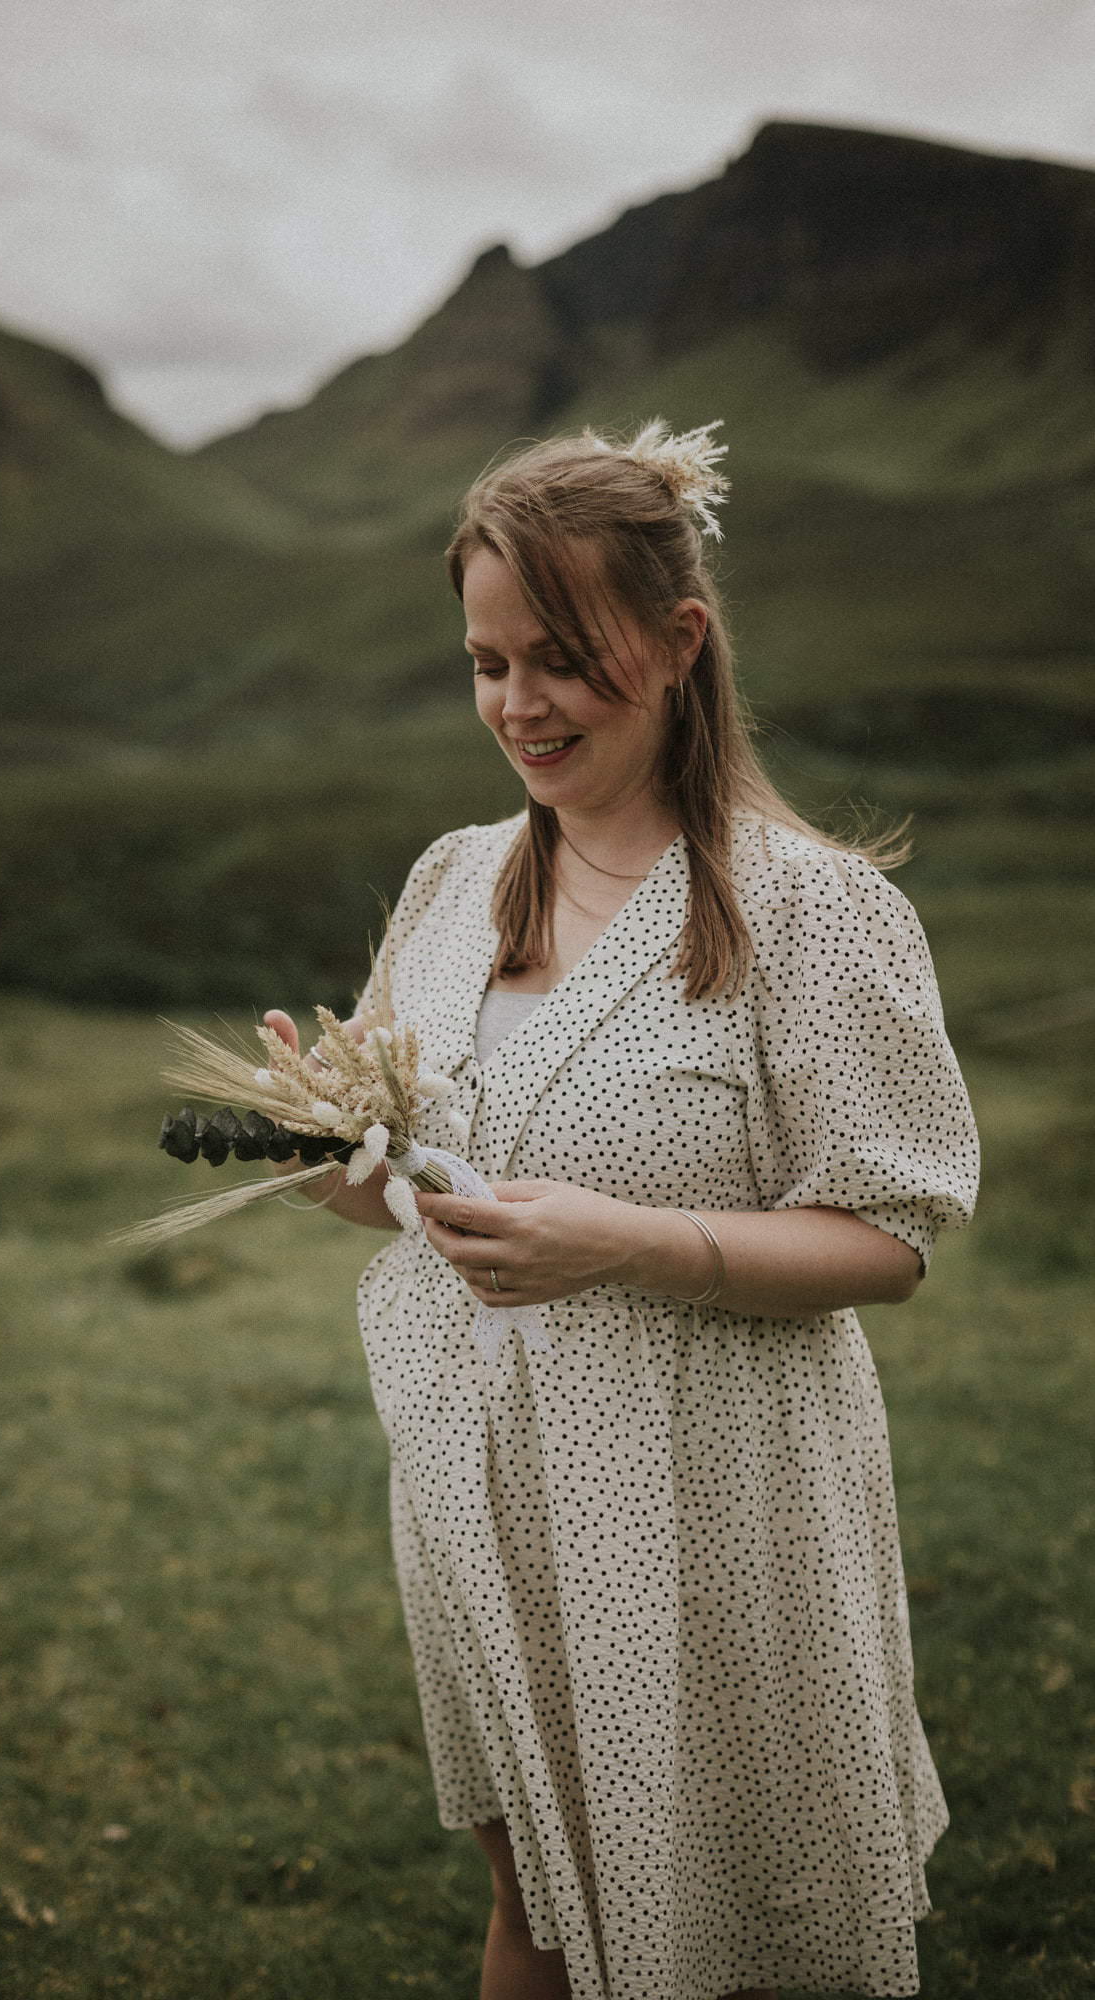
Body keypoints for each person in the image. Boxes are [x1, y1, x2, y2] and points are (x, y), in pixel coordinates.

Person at [262, 418, 980, 2000]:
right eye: (485, 661)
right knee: (538, 1915)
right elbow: (424, 1199)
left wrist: (629, 1243)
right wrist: (329, 1149)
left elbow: (890, 1235)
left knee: (748, 1941)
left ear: (676, 643)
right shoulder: (453, 883)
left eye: (563, 658)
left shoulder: (813, 909)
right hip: (479, 1486)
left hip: (719, 1509)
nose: (519, 704)